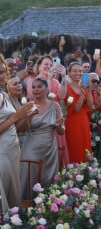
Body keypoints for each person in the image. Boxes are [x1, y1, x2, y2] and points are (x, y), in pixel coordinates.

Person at [0, 58, 36, 213]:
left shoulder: (3, 94)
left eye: (3, 72)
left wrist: (27, 115)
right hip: (2, 153)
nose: (2, 76)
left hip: (12, 150)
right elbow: (11, 121)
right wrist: (16, 116)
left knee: (13, 190)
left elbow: (16, 126)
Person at [20, 78, 65, 197]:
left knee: (47, 178)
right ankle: (25, 207)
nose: (36, 89)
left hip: (49, 148)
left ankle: (47, 208)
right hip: (30, 147)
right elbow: (22, 129)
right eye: (33, 87)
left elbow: (61, 131)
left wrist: (59, 126)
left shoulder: (55, 106)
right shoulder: (27, 106)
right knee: (29, 176)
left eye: (39, 86)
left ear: (46, 89)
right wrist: (29, 117)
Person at [64, 62, 93, 163]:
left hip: (84, 121)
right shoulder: (67, 88)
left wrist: (88, 91)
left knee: (85, 148)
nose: (78, 73)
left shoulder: (84, 87)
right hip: (73, 122)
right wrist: (81, 93)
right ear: (69, 73)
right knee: (75, 148)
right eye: (75, 71)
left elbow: (90, 106)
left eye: (80, 71)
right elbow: (75, 109)